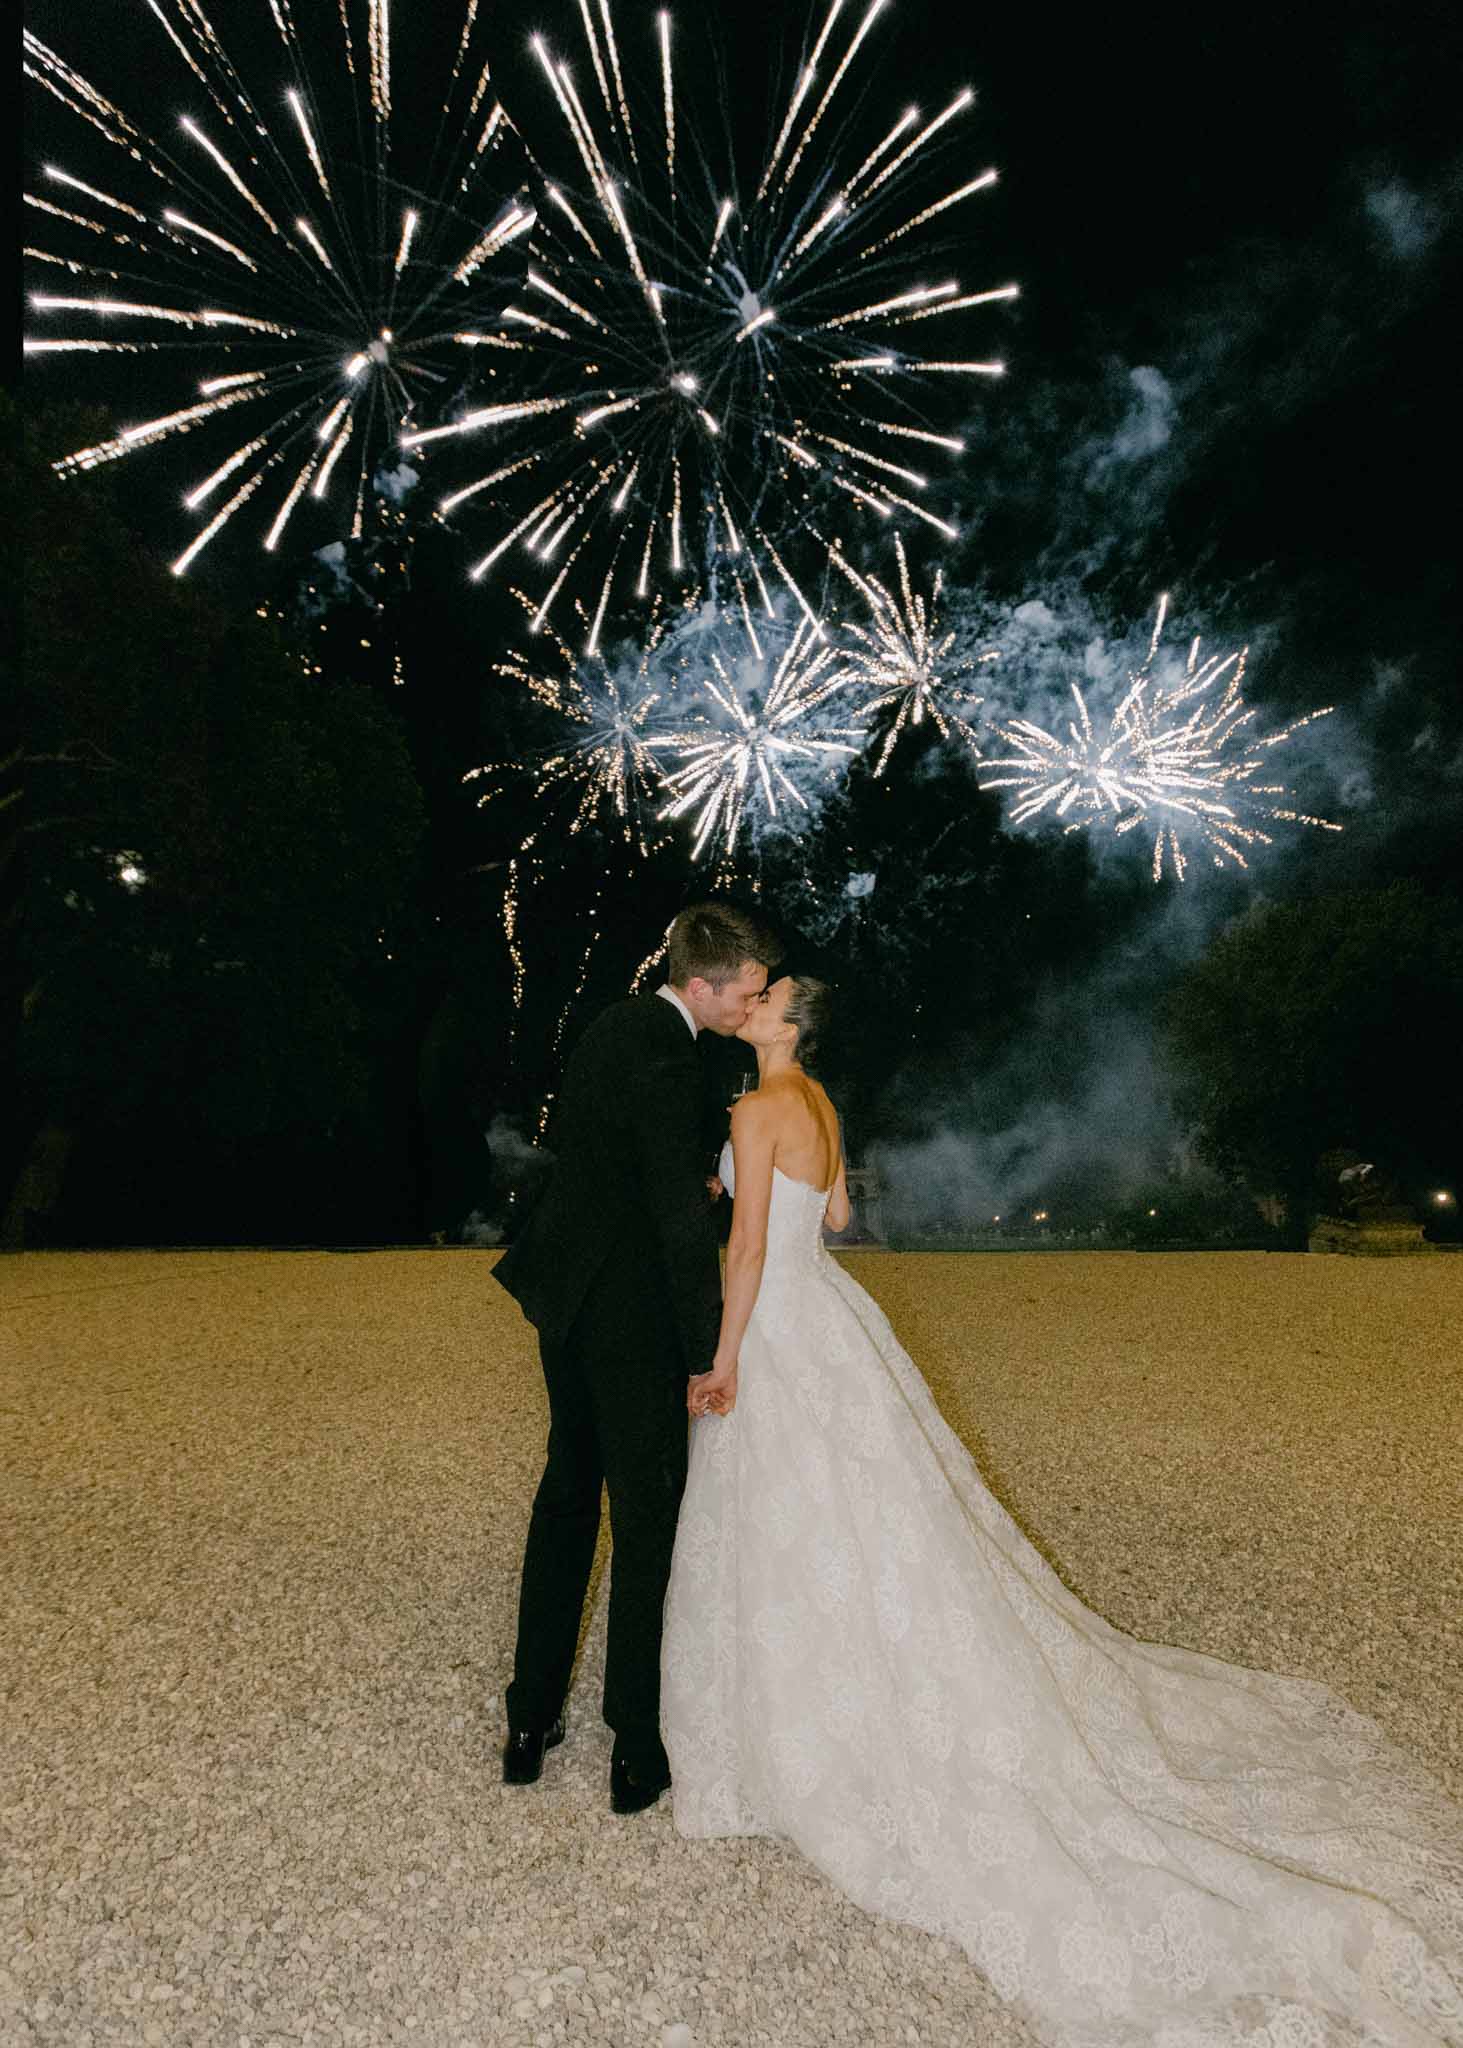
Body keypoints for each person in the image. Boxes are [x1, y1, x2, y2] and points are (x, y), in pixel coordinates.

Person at [663, 974, 1462, 2046]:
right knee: (871, 1512)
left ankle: (793, 1717)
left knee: (784, 1514)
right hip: (834, 1321)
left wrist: (721, 1356)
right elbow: (840, 1214)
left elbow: (753, 1249)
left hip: (774, 1325)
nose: (751, 1002)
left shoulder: (754, 1109)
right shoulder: (817, 1104)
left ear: (789, 1024)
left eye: (767, 1000)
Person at [493, 902, 777, 1813]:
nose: (750, 1005)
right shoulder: (670, 1049)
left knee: (565, 1500)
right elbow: (668, 1209)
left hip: (564, 1298)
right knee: (645, 1521)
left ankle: (528, 1723)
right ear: (702, 985)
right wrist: (707, 1352)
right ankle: (635, 1746)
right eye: (744, 992)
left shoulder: (612, 1025)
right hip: (627, 1318)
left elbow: (601, 1156)